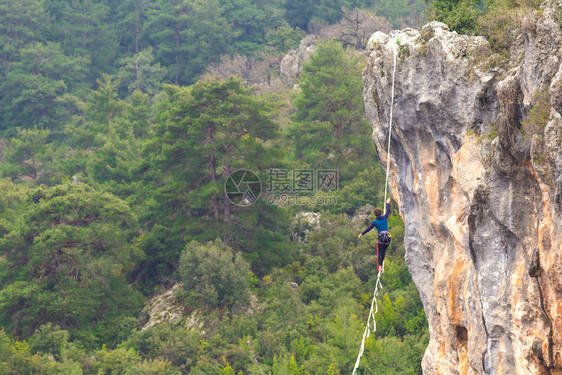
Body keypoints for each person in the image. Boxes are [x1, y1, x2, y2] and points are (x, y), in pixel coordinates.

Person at [358, 198, 392, 273]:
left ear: (375, 215)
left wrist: (361, 234)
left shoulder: (375, 222)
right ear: (381, 213)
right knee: (383, 252)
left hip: (381, 237)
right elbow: (388, 211)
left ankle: (380, 267)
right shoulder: (384, 217)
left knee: (380, 252)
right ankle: (381, 265)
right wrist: (387, 203)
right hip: (388, 237)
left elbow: (368, 229)